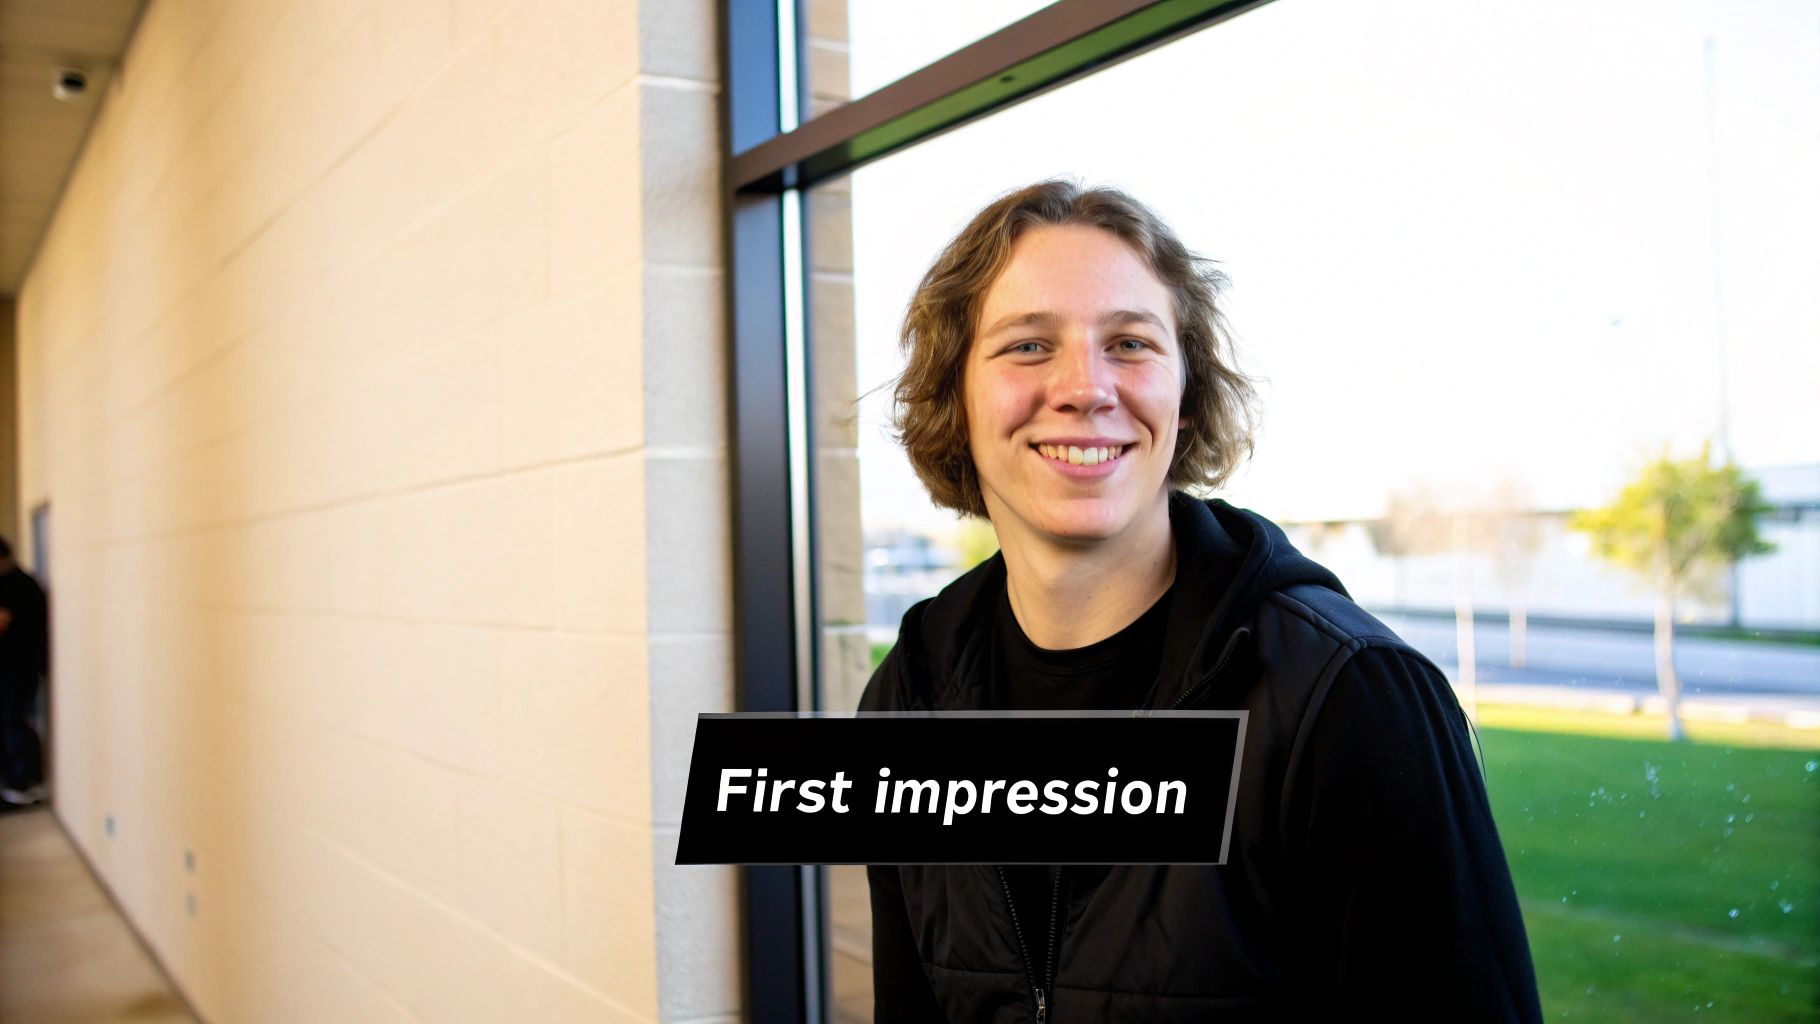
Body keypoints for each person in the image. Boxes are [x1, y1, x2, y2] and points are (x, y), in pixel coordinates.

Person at [858, 181, 1542, 1022]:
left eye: (1131, 344)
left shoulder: (1349, 700)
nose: (1085, 387)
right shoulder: (908, 701)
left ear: (1184, 402)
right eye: (1029, 346)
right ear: (956, 399)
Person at [0, 536, 49, 808]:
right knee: (13, 723)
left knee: (13, 722)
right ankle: (18, 779)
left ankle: (23, 782)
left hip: (18, 669)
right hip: (14, 668)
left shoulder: (19, 586)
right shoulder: (15, 583)